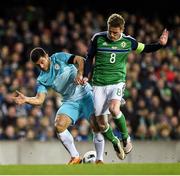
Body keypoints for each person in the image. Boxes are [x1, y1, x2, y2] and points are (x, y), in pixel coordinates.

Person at [83, 13, 169, 162]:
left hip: (117, 81)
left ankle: (125, 138)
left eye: (115, 32)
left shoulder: (128, 42)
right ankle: (115, 141)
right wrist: (85, 75)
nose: (111, 34)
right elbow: (89, 57)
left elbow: (145, 48)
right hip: (98, 84)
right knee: (101, 123)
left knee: (114, 109)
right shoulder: (98, 38)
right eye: (110, 31)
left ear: (122, 29)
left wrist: (159, 44)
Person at [13, 47, 95, 164]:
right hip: (70, 101)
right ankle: (75, 157)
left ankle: (114, 145)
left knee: (99, 125)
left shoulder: (58, 57)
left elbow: (80, 60)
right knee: (59, 125)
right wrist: (26, 99)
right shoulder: (42, 79)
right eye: (38, 65)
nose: (41, 66)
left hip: (85, 94)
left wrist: (80, 73)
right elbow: (39, 99)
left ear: (47, 56)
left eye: (42, 62)